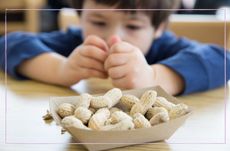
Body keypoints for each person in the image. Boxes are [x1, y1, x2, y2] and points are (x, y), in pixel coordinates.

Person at [0, 0, 229, 95]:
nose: (114, 38)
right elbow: (9, 43)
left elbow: (222, 59)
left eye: (133, 26)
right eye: (99, 23)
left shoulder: (165, 46)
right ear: (80, 17)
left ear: (158, 28)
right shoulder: (74, 42)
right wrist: (61, 69)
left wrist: (154, 77)